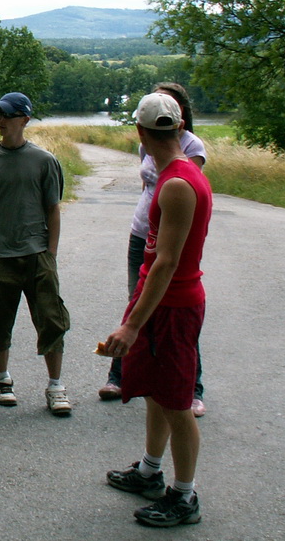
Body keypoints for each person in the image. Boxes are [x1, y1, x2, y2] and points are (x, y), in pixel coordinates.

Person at [102, 92, 213, 528]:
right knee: (155, 391)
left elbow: (167, 263)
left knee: (177, 403)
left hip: (174, 305)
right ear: (180, 127)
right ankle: (150, 471)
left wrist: (131, 326)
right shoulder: (173, 176)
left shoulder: (179, 184)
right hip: (158, 299)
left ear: (140, 132)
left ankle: (184, 497)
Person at [98, 82, 209, 417]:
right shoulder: (158, 159)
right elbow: (149, 185)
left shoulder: (182, 171)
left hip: (168, 251)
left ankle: (191, 389)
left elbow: (170, 257)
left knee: (165, 325)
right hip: (143, 233)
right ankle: (124, 376)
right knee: (137, 304)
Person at [0, 92, 72, 416]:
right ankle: (3, 380)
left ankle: (55, 386)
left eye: (8, 115)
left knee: (51, 320)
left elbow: (53, 210)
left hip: (37, 254)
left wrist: (50, 254)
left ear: (24, 119)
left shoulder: (44, 161)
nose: (1, 121)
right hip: (0, 258)